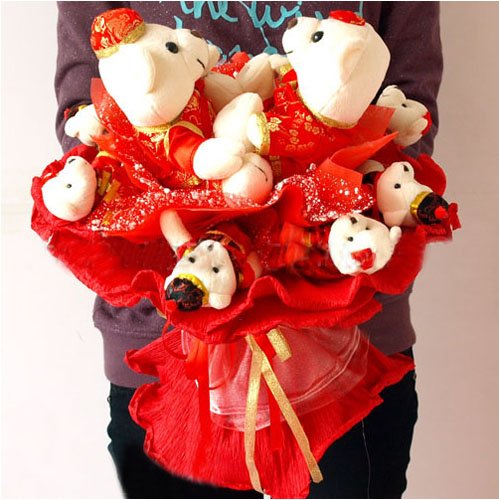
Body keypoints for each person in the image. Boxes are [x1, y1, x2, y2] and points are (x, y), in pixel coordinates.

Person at [55, 2, 443, 498]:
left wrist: (296, 207)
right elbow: (85, 120)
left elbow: (408, 109)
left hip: (346, 338)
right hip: (169, 344)